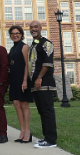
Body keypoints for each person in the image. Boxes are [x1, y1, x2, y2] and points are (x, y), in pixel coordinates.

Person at [29, 20, 58, 148]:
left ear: (41, 28)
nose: (33, 29)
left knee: (47, 111)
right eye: (31, 27)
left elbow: (47, 63)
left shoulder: (46, 43)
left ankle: (51, 140)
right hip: (36, 85)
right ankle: (47, 137)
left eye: (35, 27)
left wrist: (39, 77)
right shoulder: (34, 44)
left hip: (44, 84)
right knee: (42, 111)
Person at [8, 25, 33, 143]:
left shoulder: (24, 47)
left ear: (21, 34)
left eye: (17, 33)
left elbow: (27, 65)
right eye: (13, 33)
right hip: (13, 80)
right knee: (17, 105)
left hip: (22, 79)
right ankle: (22, 131)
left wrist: (25, 80)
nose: (15, 35)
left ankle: (28, 131)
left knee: (24, 105)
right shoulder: (12, 49)